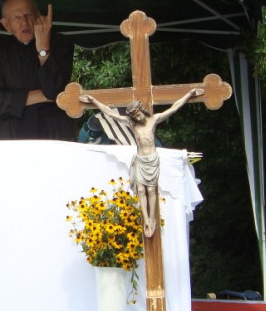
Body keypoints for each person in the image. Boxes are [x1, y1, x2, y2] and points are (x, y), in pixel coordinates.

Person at [80, 87, 203, 236]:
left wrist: (189, 94)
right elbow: (110, 113)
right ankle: (146, 220)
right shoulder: (132, 124)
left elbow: (174, 108)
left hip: (152, 160)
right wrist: (93, 101)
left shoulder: (153, 120)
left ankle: (152, 219)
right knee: (140, 191)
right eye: (134, 116)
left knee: (151, 190)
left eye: (137, 114)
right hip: (140, 160)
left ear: (141, 111)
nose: (137, 118)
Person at [0, 0, 75, 140]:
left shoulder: (61, 43)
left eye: (28, 15)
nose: (24, 22)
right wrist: (44, 96)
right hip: (14, 133)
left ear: (38, 17)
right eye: (17, 18)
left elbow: (55, 90)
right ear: (7, 25)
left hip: (54, 130)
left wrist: (43, 49)